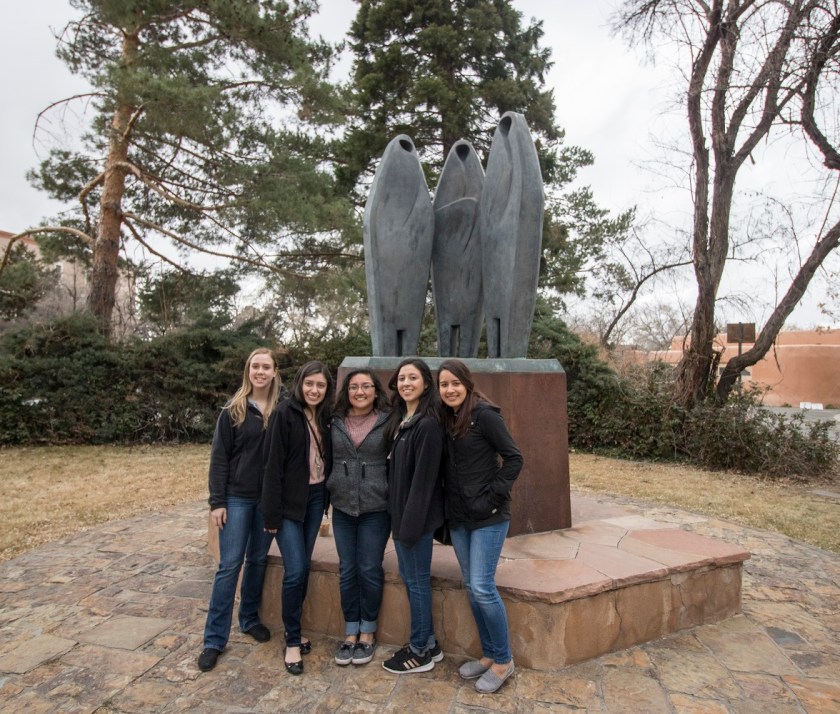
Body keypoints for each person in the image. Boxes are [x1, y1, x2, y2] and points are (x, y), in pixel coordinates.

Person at [437, 359, 523, 694]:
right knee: (472, 588)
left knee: (483, 587)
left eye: (455, 383)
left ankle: (504, 660)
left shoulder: (485, 415)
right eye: (444, 385)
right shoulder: (448, 417)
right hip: (459, 517)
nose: (450, 390)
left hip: (489, 515)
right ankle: (489, 655)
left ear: (467, 384)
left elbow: (514, 458)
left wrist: (493, 497)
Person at [198, 347, 284, 673]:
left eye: (266, 367)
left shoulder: (281, 410)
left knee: (258, 559)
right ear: (248, 371)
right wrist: (217, 502)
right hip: (236, 498)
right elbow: (219, 458)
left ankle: (249, 618)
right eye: (255, 366)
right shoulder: (232, 410)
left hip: (268, 501)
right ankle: (214, 640)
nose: (260, 372)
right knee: (230, 565)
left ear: (274, 372)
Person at [262, 360, 334, 676]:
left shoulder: (326, 417)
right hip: (288, 504)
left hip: (315, 498)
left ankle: (295, 629)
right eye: (309, 384)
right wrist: (271, 514)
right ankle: (292, 640)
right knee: (295, 570)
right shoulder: (284, 414)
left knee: (302, 568)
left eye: (320, 385)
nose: (314, 390)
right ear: (300, 384)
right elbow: (271, 466)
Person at [381, 358, 445, 674]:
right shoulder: (402, 420)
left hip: (414, 521)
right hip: (401, 517)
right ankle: (429, 642)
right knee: (411, 580)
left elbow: (423, 482)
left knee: (417, 583)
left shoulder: (428, 425)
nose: (406, 383)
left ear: (426, 384)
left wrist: (408, 527)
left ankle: (420, 651)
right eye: (402, 378)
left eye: (413, 378)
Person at [328, 369, 391, 666]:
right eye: (354, 387)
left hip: (375, 508)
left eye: (366, 386)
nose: (360, 391)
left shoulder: (389, 421)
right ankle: (350, 631)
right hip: (342, 506)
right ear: (347, 391)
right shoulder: (334, 421)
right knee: (347, 569)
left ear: (376, 391)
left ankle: (368, 632)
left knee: (368, 568)